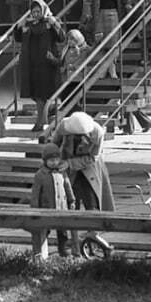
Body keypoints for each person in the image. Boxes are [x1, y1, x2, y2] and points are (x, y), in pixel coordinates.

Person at [51, 109, 114, 255]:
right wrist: (55, 161)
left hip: (89, 169)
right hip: (68, 170)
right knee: (69, 206)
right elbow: (54, 144)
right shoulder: (64, 126)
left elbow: (93, 157)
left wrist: (70, 163)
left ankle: (93, 240)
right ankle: (71, 246)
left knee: (92, 205)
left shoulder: (98, 132)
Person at [14, 0, 66, 131]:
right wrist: (20, 25)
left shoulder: (50, 22)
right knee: (35, 94)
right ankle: (43, 119)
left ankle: (41, 122)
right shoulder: (30, 24)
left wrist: (54, 23)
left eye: (38, 11)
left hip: (46, 64)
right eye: (33, 11)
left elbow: (61, 37)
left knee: (43, 94)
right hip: (31, 64)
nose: (36, 14)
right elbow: (18, 37)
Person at [30, 142, 76, 257]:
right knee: (44, 231)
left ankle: (64, 251)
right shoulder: (40, 175)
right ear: (45, 161)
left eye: (56, 160)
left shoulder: (62, 172)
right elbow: (35, 193)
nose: (54, 162)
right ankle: (41, 253)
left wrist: (72, 200)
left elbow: (67, 186)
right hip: (46, 208)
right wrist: (34, 208)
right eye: (51, 160)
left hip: (62, 208)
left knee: (63, 232)